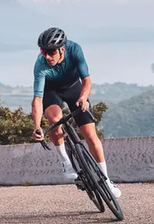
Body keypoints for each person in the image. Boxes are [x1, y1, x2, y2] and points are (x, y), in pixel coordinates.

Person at [31, 27, 121, 198]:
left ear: (62, 49)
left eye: (51, 52)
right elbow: (37, 100)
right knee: (55, 119)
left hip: (74, 88)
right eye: (44, 52)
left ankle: (107, 180)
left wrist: (84, 98)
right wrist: (37, 126)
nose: (47, 56)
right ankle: (65, 159)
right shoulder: (40, 65)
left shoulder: (75, 50)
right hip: (52, 91)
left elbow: (86, 80)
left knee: (90, 134)